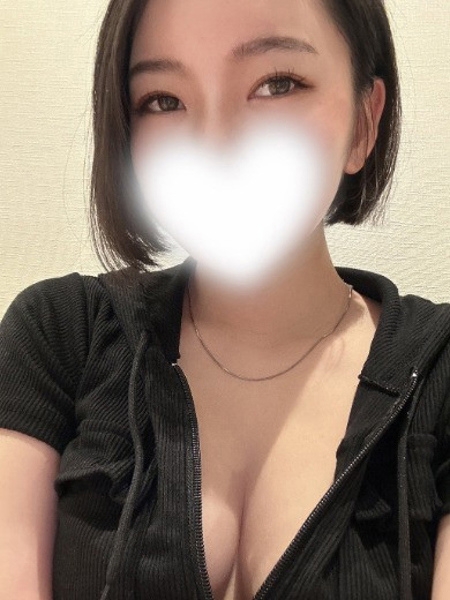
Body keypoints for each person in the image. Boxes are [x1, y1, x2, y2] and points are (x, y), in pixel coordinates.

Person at [0, 0, 449, 599]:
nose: (215, 144)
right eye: (163, 100)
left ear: (365, 122)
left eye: (277, 84)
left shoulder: (440, 371)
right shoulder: (59, 335)